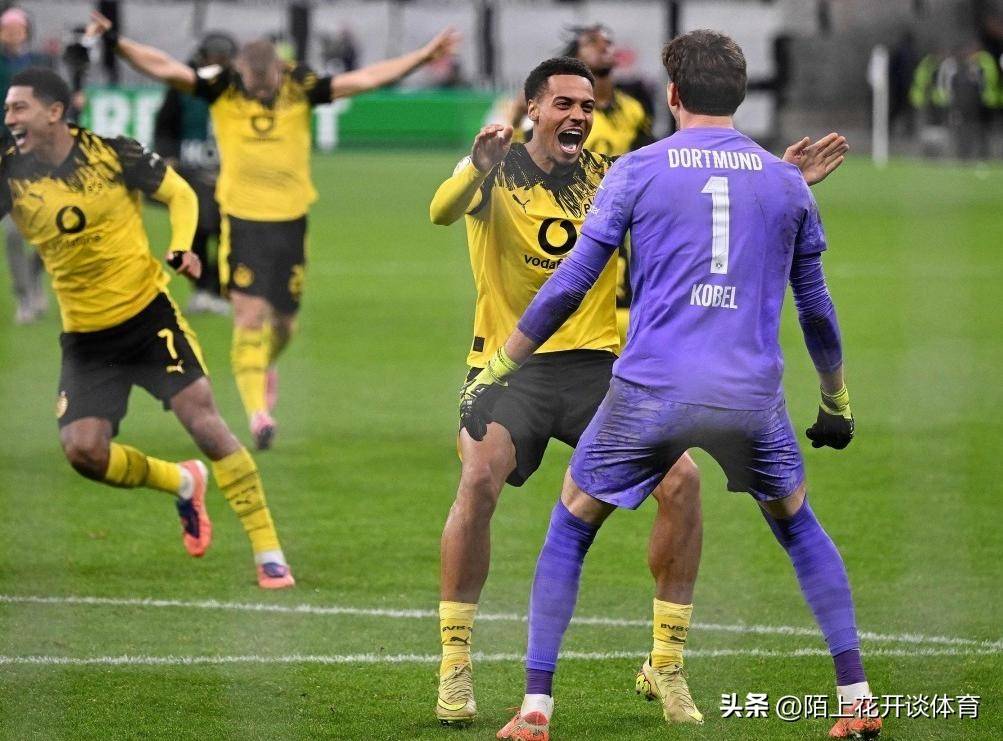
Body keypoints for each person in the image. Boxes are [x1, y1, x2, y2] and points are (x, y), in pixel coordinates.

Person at [461, 32, 880, 741]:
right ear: (741, 94)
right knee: (798, 525)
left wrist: (500, 367)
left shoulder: (636, 169)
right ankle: (857, 696)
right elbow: (815, 308)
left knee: (570, 524)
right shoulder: (783, 182)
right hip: (748, 395)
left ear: (673, 94)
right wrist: (834, 399)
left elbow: (571, 283)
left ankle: (535, 707)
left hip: (650, 388)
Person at [86, 11, 460, 450]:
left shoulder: (299, 86)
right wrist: (116, 42)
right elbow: (166, 68)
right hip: (242, 221)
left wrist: (422, 57)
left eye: (267, 85)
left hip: (291, 222)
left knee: (284, 325)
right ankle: (258, 415)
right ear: (241, 71)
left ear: (279, 71)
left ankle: (264, 367)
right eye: (254, 84)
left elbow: (363, 79)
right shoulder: (222, 86)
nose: (261, 92)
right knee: (249, 317)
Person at [2, 67, 294, 589]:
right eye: (7, 109)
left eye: (19, 107)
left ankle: (269, 550)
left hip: (147, 318)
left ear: (54, 112)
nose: (9, 118)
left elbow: (181, 194)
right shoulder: (10, 173)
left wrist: (181, 246)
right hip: (86, 340)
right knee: (84, 453)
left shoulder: (113, 154)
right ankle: (182, 482)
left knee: (204, 422)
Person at [153, 32, 238, 316]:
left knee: (228, 231)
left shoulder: (239, 86)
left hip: (229, 171)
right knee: (198, 229)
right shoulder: (183, 85)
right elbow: (165, 124)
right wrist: (167, 155)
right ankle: (203, 288)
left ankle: (222, 289)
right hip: (192, 167)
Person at [0, 6, 53, 323]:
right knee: (13, 232)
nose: (11, 33)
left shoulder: (40, 65)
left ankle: (35, 277)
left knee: (49, 226)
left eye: (17, 28)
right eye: (6, 28)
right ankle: (23, 296)